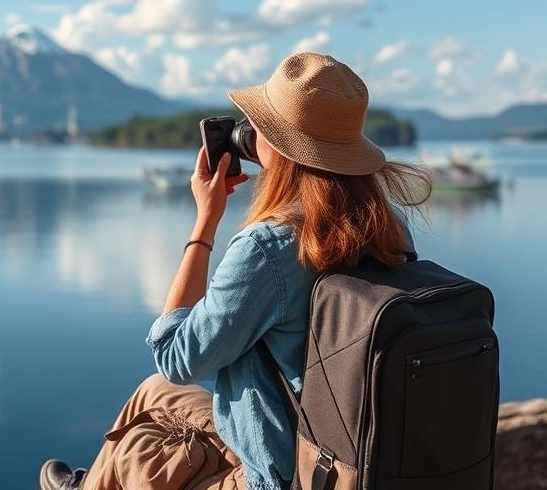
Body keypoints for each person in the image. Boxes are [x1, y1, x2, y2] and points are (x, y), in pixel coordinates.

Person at [39, 52, 430, 490]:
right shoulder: (390, 226)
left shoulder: (269, 248)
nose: (249, 133)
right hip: (349, 454)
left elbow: (174, 356)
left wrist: (206, 221)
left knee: (137, 448)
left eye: (259, 125)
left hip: (280, 475)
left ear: (278, 147)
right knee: (153, 392)